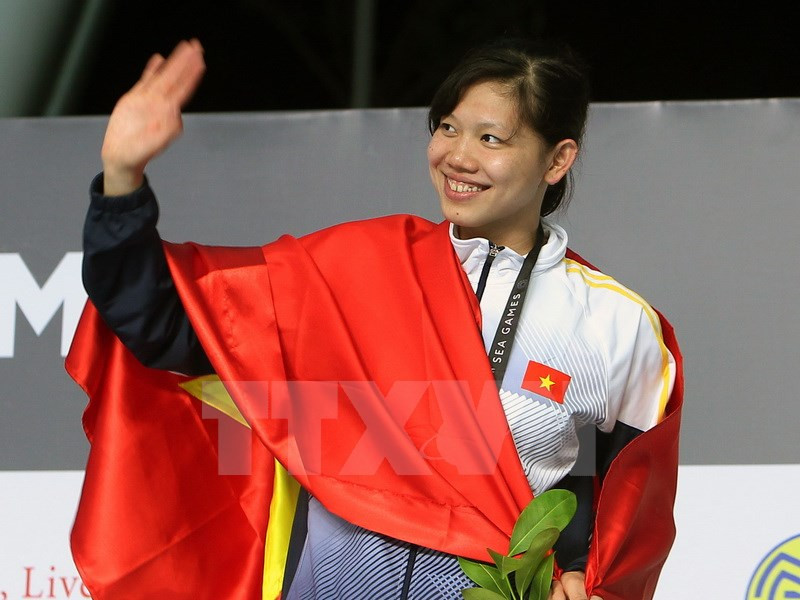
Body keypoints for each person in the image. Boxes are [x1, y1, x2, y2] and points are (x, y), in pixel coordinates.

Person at [70, 38, 682, 600]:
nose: (458, 157)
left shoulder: (617, 326)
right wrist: (122, 176)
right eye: (446, 128)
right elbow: (157, 318)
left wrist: (584, 577)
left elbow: (625, 515)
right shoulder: (349, 271)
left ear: (557, 159)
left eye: (491, 139)